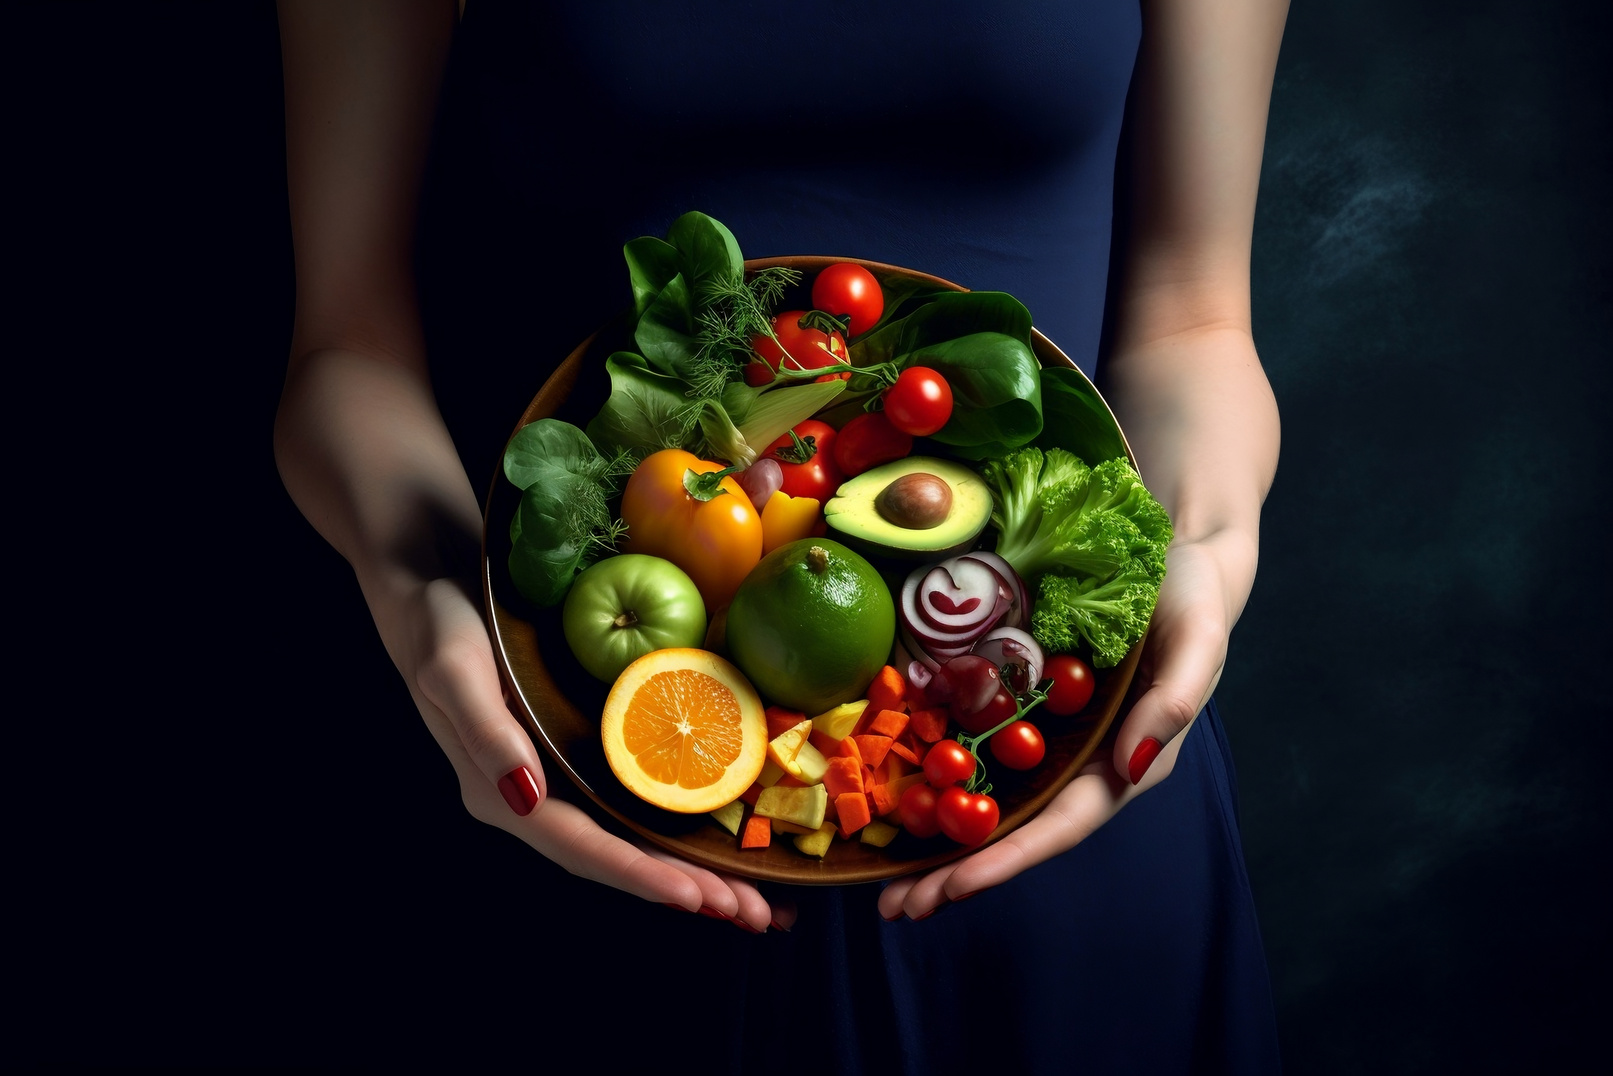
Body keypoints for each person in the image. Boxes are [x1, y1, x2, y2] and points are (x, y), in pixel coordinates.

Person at [274, 1, 1286, 1070]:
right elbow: (347, 348)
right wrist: (422, 585)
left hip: (1034, 783)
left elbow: (1194, 321)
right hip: (565, 782)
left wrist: (1205, 554)